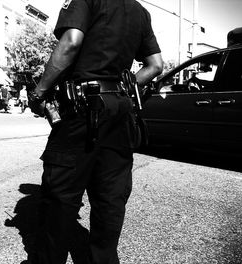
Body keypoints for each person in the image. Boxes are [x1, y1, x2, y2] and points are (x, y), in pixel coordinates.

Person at [28, 0, 163, 263]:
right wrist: (121, 89)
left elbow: (71, 42)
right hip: (120, 110)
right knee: (111, 194)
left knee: (61, 191)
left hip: (83, 108)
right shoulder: (140, 11)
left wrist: (39, 91)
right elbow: (156, 64)